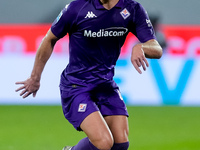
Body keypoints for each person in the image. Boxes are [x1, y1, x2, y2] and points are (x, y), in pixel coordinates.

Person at [15, 0, 162, 149]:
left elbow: (156, 48)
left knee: (121, 144)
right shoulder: (77, 8)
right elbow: (49, 39)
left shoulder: (132, 8)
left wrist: (141, 46)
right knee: (104, 143)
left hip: (105, 85)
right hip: (76, 86)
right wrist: (35, 77)